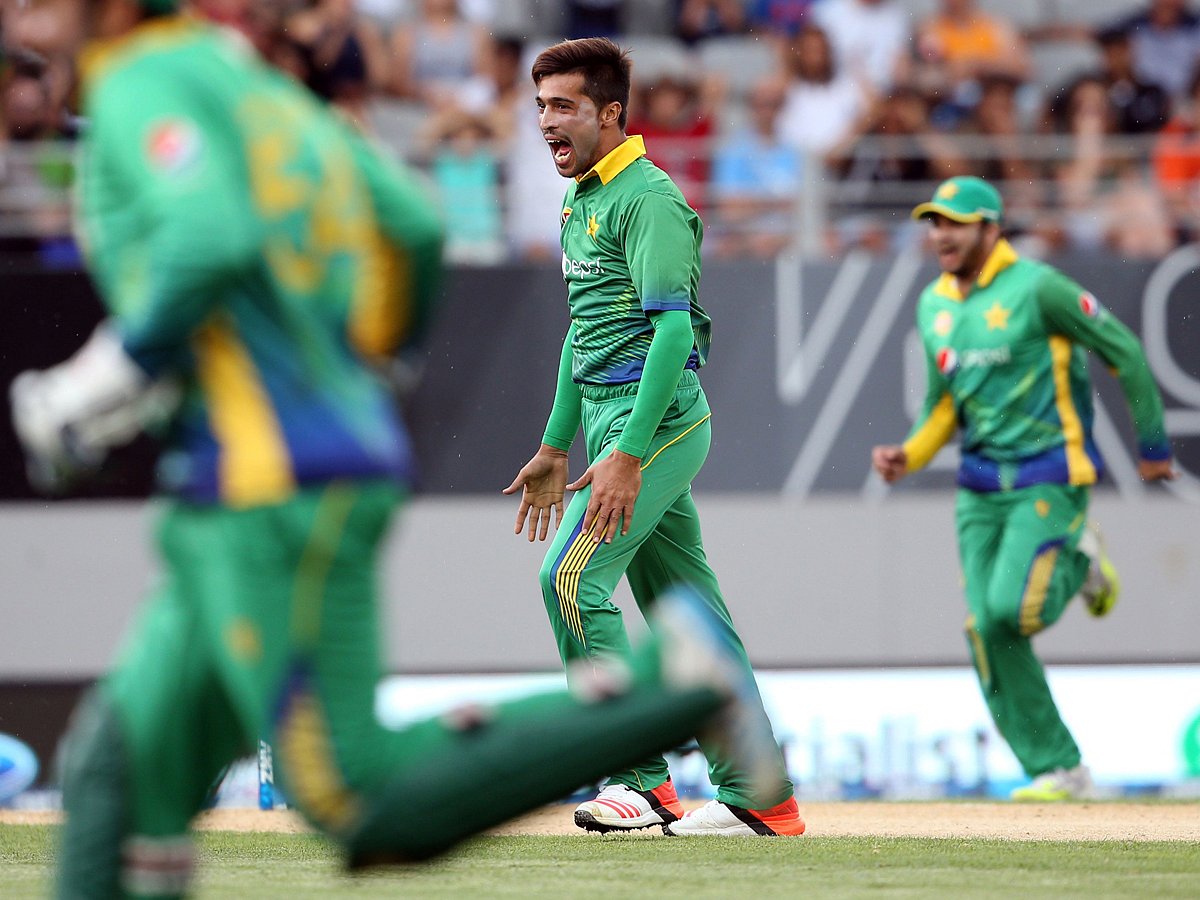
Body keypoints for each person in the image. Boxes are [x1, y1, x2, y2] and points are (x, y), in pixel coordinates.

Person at [7, 3, 787, 893]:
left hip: (270, 480)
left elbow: (207, 238)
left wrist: (96, 381)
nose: (25, 14)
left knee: (353, 791)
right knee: (122, 763)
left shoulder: (141, 80)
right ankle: (703, 725)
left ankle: (674, 688)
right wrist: (370, 375)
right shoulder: (260, 89)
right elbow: (413, 229)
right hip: (278, 471)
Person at [504, 37, 805, 837]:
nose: (546, 122)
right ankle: (761, 797)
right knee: (692, 614)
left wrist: (627, 455)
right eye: (539, 106)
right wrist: (555, 444)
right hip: (608, 421)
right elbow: (583, 332)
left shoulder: (650, 197)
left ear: (610, 114)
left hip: (657, 420)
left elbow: (671, 335)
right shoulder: (582, 196)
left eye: (563, 106)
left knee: (568, 583)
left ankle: (640, 782)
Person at [871, 176, 1176, 801]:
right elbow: (941, 407)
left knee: (1009, 611)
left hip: (1050, 475)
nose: (941, 236)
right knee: (985, 629)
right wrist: (910, 453)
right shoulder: (934, 305)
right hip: (978, 487)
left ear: (991, 227)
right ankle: (1060, 769)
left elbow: (1125, 352)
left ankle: (1082, 558)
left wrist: (1151, 446)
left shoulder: (1039, 287)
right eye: (934, 223)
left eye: (955, 223)